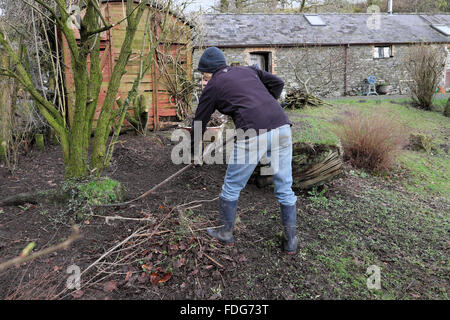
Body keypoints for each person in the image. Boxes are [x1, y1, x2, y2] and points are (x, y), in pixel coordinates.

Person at [190, 47, 298, 254]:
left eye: (202, 73)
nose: (203, 77)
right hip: (282, 126)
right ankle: (290, 241)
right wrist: (264, 104)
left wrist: (194, 151)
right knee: (284, 186)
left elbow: (199, 121)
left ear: (207, 71)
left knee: (232, 185)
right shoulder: (248, 70)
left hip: (253, 133)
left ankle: (225, 232)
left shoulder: (212, 86)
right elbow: (278, 83)